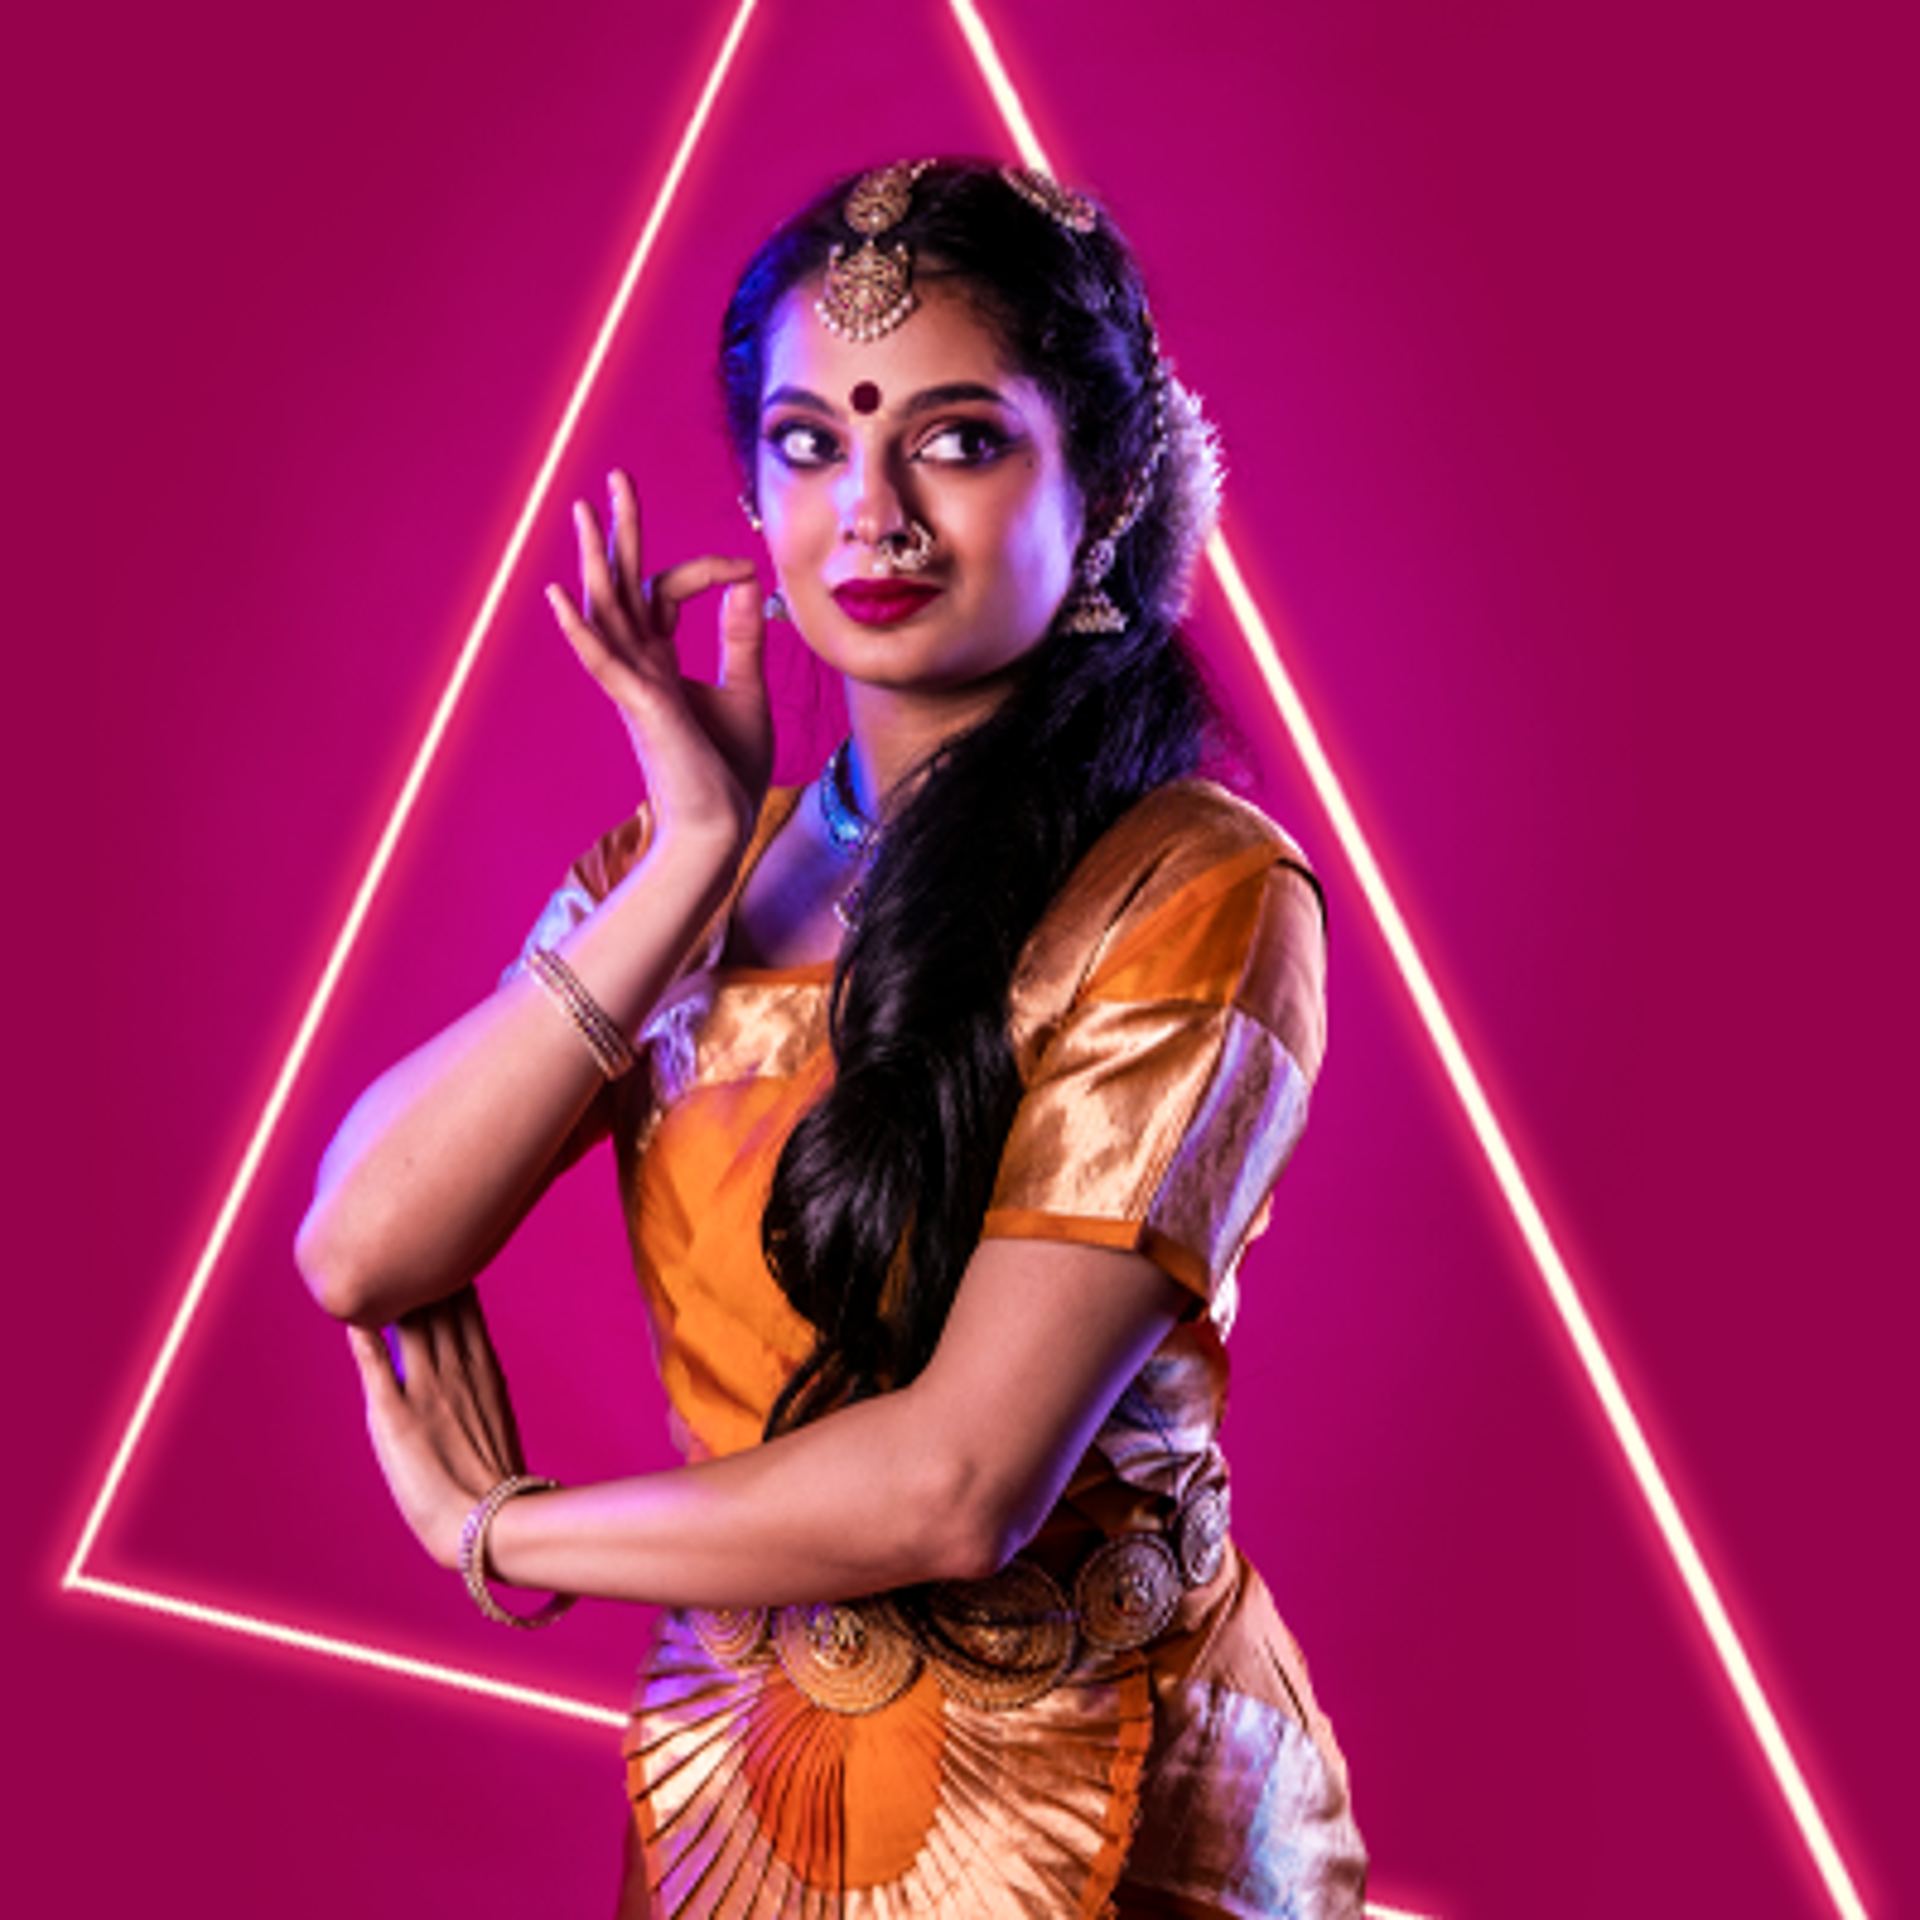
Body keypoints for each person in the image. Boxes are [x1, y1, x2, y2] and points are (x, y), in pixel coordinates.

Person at [298, 157, 1366, 1918]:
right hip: (760, 1795)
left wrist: (505, 1536)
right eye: (809, 445)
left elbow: (959, 1487)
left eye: (956, 439)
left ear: (1101, 489)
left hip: (1117, 1803)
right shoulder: (686, 877)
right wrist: (695, 863)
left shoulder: (1197, 890)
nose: (869, 513)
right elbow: (363, 1239)